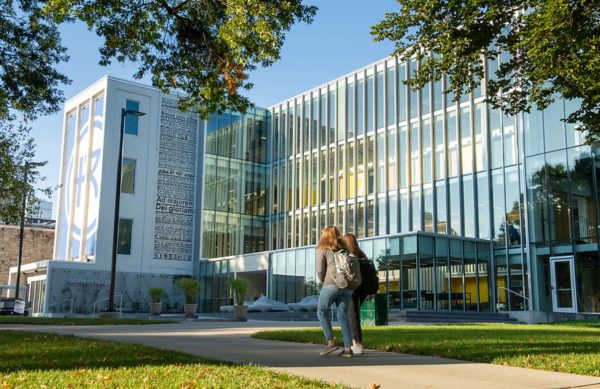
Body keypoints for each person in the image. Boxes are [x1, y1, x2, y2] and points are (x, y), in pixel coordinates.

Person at [316, 225, 354, 358]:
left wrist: (322, 281)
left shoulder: (323, 248)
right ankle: (348, 349)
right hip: (347, 286)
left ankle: (331, 343)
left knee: (322, 311)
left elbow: (320, 269)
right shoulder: (345, 249)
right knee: (343, 316)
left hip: (331, 284)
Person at [341, 233, 371, 355]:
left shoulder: (347, 255)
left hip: (353, 289)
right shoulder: (361, 254)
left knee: (353, 316)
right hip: (363, 289)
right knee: (353, 315)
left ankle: (358, 344)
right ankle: (355, 342)